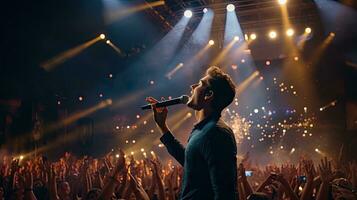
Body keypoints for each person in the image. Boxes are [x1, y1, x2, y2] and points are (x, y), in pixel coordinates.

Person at [146, 66, 238, 200]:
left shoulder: (217, 133)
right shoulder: (203, 130)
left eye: (200, 84)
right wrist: (162, 125)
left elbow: (225, 194)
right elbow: (190, 163)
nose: (193, 86)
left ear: (208, 95)